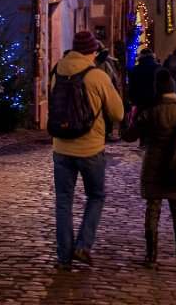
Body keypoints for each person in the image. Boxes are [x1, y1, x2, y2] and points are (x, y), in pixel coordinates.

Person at [51, 30, 124, 271]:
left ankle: (64, 257)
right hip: (90, 147)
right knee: (96, 195)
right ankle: (83, 244)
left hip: (61, 146)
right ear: (92, 51)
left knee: (63, 201)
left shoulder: (57, 71)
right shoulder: (96, 76)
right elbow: (118, 113)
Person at [121, 69, 176, 268]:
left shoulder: (150, 110)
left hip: (153, 166)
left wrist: (125, 121)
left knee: (153, 209)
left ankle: (151, 254)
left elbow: (129, 135)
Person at [128, 48, 159, 146]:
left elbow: (132, 86)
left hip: (140, 98)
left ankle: (143, 139)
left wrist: (132, 99)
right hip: (155, 97)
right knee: (154, 118)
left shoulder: (136, 69)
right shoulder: (158, 68)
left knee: (142, 119)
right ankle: (153, 138)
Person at [95, 46, 121, 142]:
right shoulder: (108, 63)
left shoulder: (103, 63)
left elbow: (110, 78)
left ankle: (105, 132)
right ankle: (106, 132)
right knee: (106, 113)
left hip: (100, 91)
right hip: (104, 91)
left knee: (103, 113)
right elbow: (112, 78)